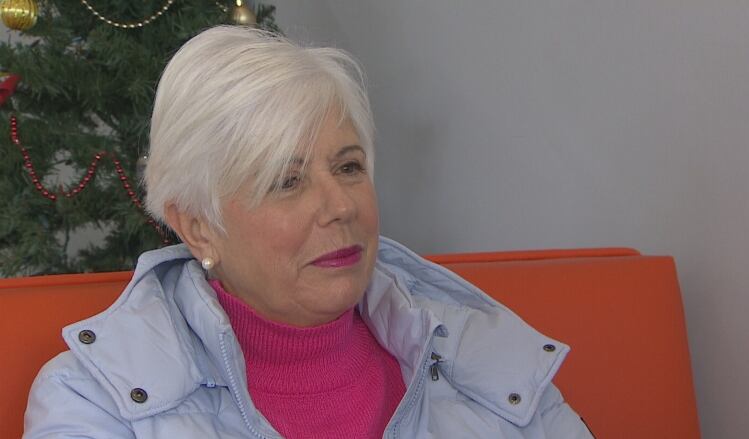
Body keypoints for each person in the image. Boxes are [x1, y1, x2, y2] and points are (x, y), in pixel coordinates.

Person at [23, 26, 593, 438]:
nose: (340, 205)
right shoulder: (95, 399)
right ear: (199, 228)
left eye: (348, 167)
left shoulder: (489, 359)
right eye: (287, 181)